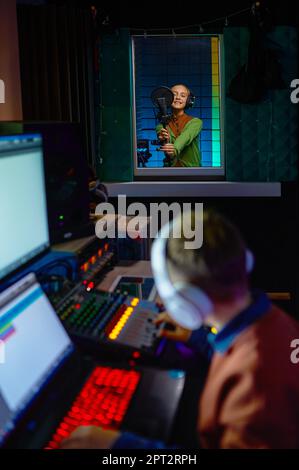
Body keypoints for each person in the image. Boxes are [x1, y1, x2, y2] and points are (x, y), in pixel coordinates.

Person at [60, 209, 299, 449]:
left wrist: (120, 447)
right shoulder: (274, 321)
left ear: (186, 300)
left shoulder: (254, 387)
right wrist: (200, 339)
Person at [156, 84, 203, 167]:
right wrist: (163, 139)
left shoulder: (196, 122)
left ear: (188, 101)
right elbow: (164, 141)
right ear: (168, 98)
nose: (178, 97)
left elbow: (185, 137)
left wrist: (174, 149)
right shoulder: (160, 126)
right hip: (170, 170)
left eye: (183, 95)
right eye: (174, 94)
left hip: (192, 171)